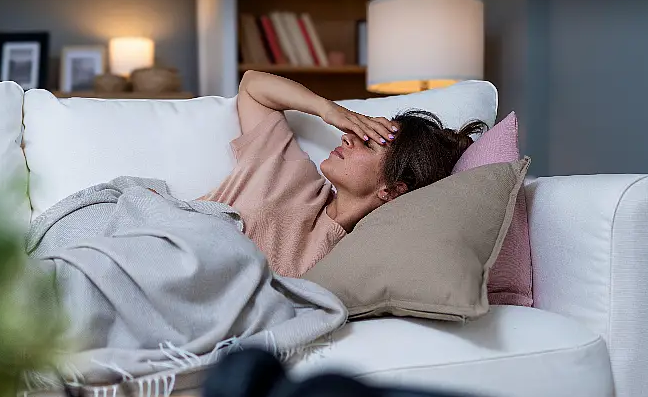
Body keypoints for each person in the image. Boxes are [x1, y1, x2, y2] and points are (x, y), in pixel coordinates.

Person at [203, 70, 487, 278]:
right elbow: (253, 85)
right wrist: (329, 110)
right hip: (169, 236)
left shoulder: (356, 257)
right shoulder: (291, 173)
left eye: (368, 142)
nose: (348, 137)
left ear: (391, 190)